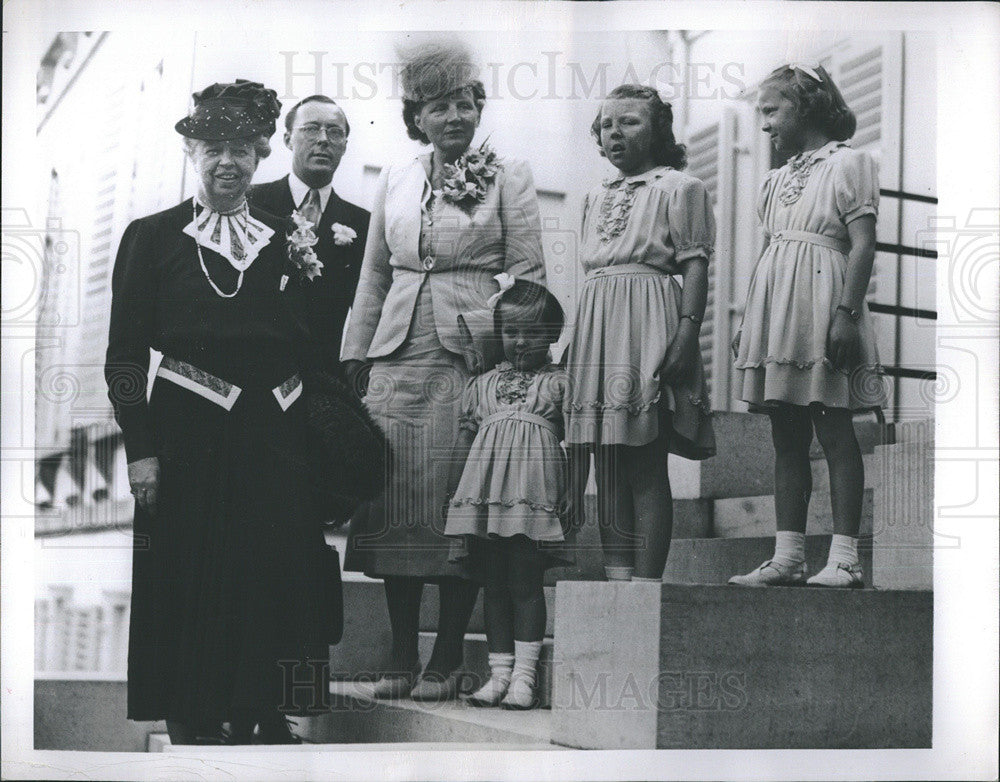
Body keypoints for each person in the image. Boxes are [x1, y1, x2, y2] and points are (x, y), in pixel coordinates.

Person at [105, 80, 336, 745]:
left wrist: (320, 445)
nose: (226, 162)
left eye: (241, 149)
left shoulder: (284, 241)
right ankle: (198, 722)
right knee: (195, 578)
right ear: (192, 152)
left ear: (261, 155)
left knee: (275, 575)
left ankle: (270, 717)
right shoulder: (151, 238)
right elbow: (123, 358)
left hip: (276, 437)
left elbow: (314, 349)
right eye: (213, 149)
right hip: (190, 438)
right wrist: (141, 450)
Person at [340, 38, 546, 702]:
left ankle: (451, 653)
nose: (455, 116)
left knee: (460, 501)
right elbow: (373, 276)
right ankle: (403, 649)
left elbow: (531, 277)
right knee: (395, 500)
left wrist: (519, 359)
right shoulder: (395, 179)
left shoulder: (508, 173)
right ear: (417, 117)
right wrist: (354, 353)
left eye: (465, 103)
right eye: (439, 107)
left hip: (473, 354)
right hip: (396, 356)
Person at [728, 64, 884, 588]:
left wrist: (846, 313)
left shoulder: (848, 163)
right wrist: (752, 319)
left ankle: (844, 557)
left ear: (806, 108)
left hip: (825, 299)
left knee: (834, 428)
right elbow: (772, 250)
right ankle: (788, 555)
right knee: (785, 435)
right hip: (779, 306)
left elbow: (862, 243)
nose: (764, 123)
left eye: (771, 110)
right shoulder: (774, 180)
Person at [564, 84, 716, 584]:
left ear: (657, 129)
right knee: (607, 461)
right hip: (599, 321)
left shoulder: (680, 187)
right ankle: (617, 581)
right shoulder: (593, 196)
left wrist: (687, 335)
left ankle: (647, 587)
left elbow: (695, 267)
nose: (615, 133)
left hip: (650, 317)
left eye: (628, 122)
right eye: (606, 125)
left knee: (644, 459)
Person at [443, 280, 584, 710]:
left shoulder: (559, 384)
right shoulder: (481, 385)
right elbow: (465, 442)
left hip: (532, 491)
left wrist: (576, 491)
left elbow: (578, 445)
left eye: (533, 333)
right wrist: (454, 493)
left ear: (553, 335)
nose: (520, 341)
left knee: (524, 581)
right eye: (511, 332)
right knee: (494, 584)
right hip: (484, 496)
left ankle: (524, 677)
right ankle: (499, 673)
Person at [249, 95, 369, 375]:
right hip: (253, 375)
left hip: (323, 381)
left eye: (335, 132)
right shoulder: (251, 203)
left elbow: (365, 310)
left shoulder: (363, 224)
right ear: (288, 139)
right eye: (312, 129)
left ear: (345, 146)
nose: (324, 139)